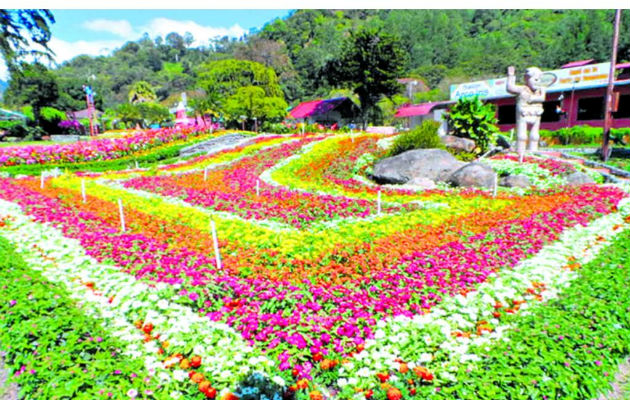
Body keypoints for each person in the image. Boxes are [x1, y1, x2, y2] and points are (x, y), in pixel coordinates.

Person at [506, 66, 546, 162]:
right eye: (535, 79)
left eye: (539, 80)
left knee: (535, 135)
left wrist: (540, 93)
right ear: (526, 79)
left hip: (536, 112)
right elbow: (510, 88)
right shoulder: (522, 89)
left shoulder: (540, 91)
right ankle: (520, 153)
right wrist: (511, 75)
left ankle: (533, 153)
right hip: (523, 112)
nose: (537, 82)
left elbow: (542, 98)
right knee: (522, 135)